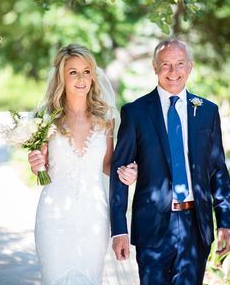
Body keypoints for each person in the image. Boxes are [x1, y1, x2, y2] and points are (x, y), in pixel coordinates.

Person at [109, 38, 230, 285]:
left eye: (179, 64)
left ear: (190, 66)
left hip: (196, 227)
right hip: (152, 227)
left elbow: (218, 170)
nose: (173, 72)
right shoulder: (135, 112)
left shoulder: (207, 111)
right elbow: (119, 172)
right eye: (165, 64)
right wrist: (119, 229)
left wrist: (225, 222)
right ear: (154, 67)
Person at [28, 44, 137, 285]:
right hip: (53, 216)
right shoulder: (46, 118)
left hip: (94, 216)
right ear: (61, 77)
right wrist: (36, 164)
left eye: (86, 71)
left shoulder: (105, 118)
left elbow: (108, 164)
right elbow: (40, 167)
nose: (81, 79)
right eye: (73, 72)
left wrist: (131, 171)